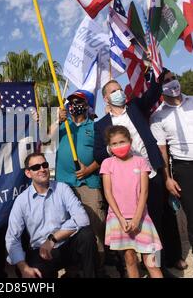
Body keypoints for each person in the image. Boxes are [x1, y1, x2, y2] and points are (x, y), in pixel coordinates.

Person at [94, 73, 186, 276]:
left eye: (120, 89)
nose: (119, 92)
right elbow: (98, 154)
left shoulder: (135, 107)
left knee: (157, 223)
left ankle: (158, 264)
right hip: (125, 185)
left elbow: (152, 94)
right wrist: (115, 147)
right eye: (113, 91)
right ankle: (134, 265)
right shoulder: (100, 125)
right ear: (106, 98)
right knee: (130, 230)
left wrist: (153, 72)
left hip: (150, 174)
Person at [150, 70, 193, 278]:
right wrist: (167, 178)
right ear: (159, 88)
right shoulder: (158, 117)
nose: (173, 83)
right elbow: (162, 151)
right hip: (186, 172)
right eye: (166, 81)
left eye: (173, 78)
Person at [6, 152, 98, 278]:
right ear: (28, 173)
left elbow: (82, 218)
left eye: (44, 165)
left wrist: (52, 239)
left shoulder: (62, 188)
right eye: (36, 167)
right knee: (31, 274)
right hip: (40, 252)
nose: (42, 169)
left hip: (66, 245)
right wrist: (24, 268)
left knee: (86, 235)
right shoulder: (21, 201)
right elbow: (12, 238)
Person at [100, 125, 163, 278]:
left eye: (122, 141)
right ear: (109, 146)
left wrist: (136, 218)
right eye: (114, 144)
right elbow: (108, 193)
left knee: (152, 261)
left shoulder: (140, 162)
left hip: (141, 217)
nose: (118, 146)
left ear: (130, 141)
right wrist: (121, 219)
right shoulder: (107, 164)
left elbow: (144, 192)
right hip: (118, 219)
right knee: (129, 258)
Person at [55, 90, 106, 273]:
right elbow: (44, 141)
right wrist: (56, 122)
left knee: (95, 228)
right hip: (64, 185)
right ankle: (73, 268)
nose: (74, 104)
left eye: (79, 101)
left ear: (86, 105)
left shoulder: (95, 127)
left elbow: (103, 155)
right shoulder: (62, 126)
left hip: (88, 184)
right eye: (72, 101)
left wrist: (89, 169)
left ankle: (97, 268)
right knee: (68, 228)